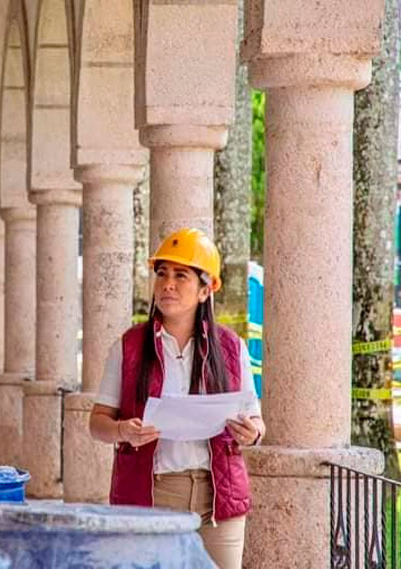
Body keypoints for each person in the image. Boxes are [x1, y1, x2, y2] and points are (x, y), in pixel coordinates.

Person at [89, 228, 265, 569]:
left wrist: (253, 432)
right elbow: (97, 423)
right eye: (162, 274)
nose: (167, 284)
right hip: (150, 493)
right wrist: (124, 430)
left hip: (218, 498)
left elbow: (255, 420)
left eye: (181, 275)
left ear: (204, 290)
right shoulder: (128, 347)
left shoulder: (231, 348)